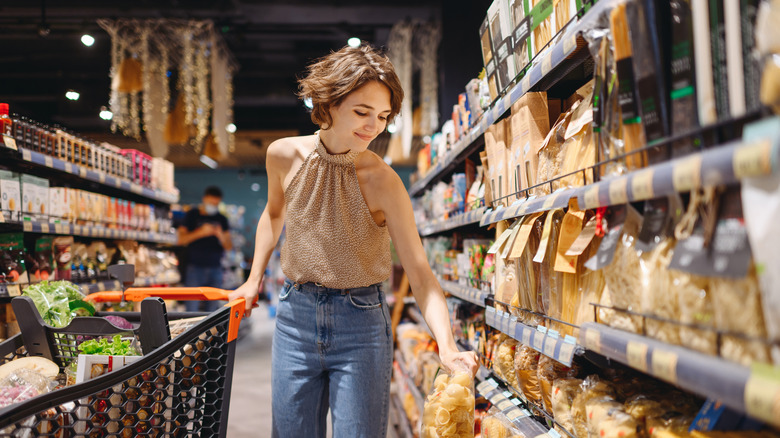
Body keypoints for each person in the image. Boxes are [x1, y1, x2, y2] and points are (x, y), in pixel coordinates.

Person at [230, 45, 479, 437]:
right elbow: (274, 213)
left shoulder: (383, 180)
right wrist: (252, 279)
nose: (373, 127)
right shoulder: (282, 155)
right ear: (327, 105)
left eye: (382, 116)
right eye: (362, 112)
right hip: (295, 317)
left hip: (360, 323)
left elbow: (419, 271)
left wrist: (446, 346)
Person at [178, 186, 232, 312]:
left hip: (215, 268)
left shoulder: (222, 219)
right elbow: (181, 239)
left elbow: (229, 246)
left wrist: (220, 235)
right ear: (204, 199)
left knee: (212, 309)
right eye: (211, 203)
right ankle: (191, 331)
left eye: (216, 204)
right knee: (192, 307)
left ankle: (211, 332)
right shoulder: (192, 214)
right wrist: (201, 232)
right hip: (194, 267)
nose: (213, 206)